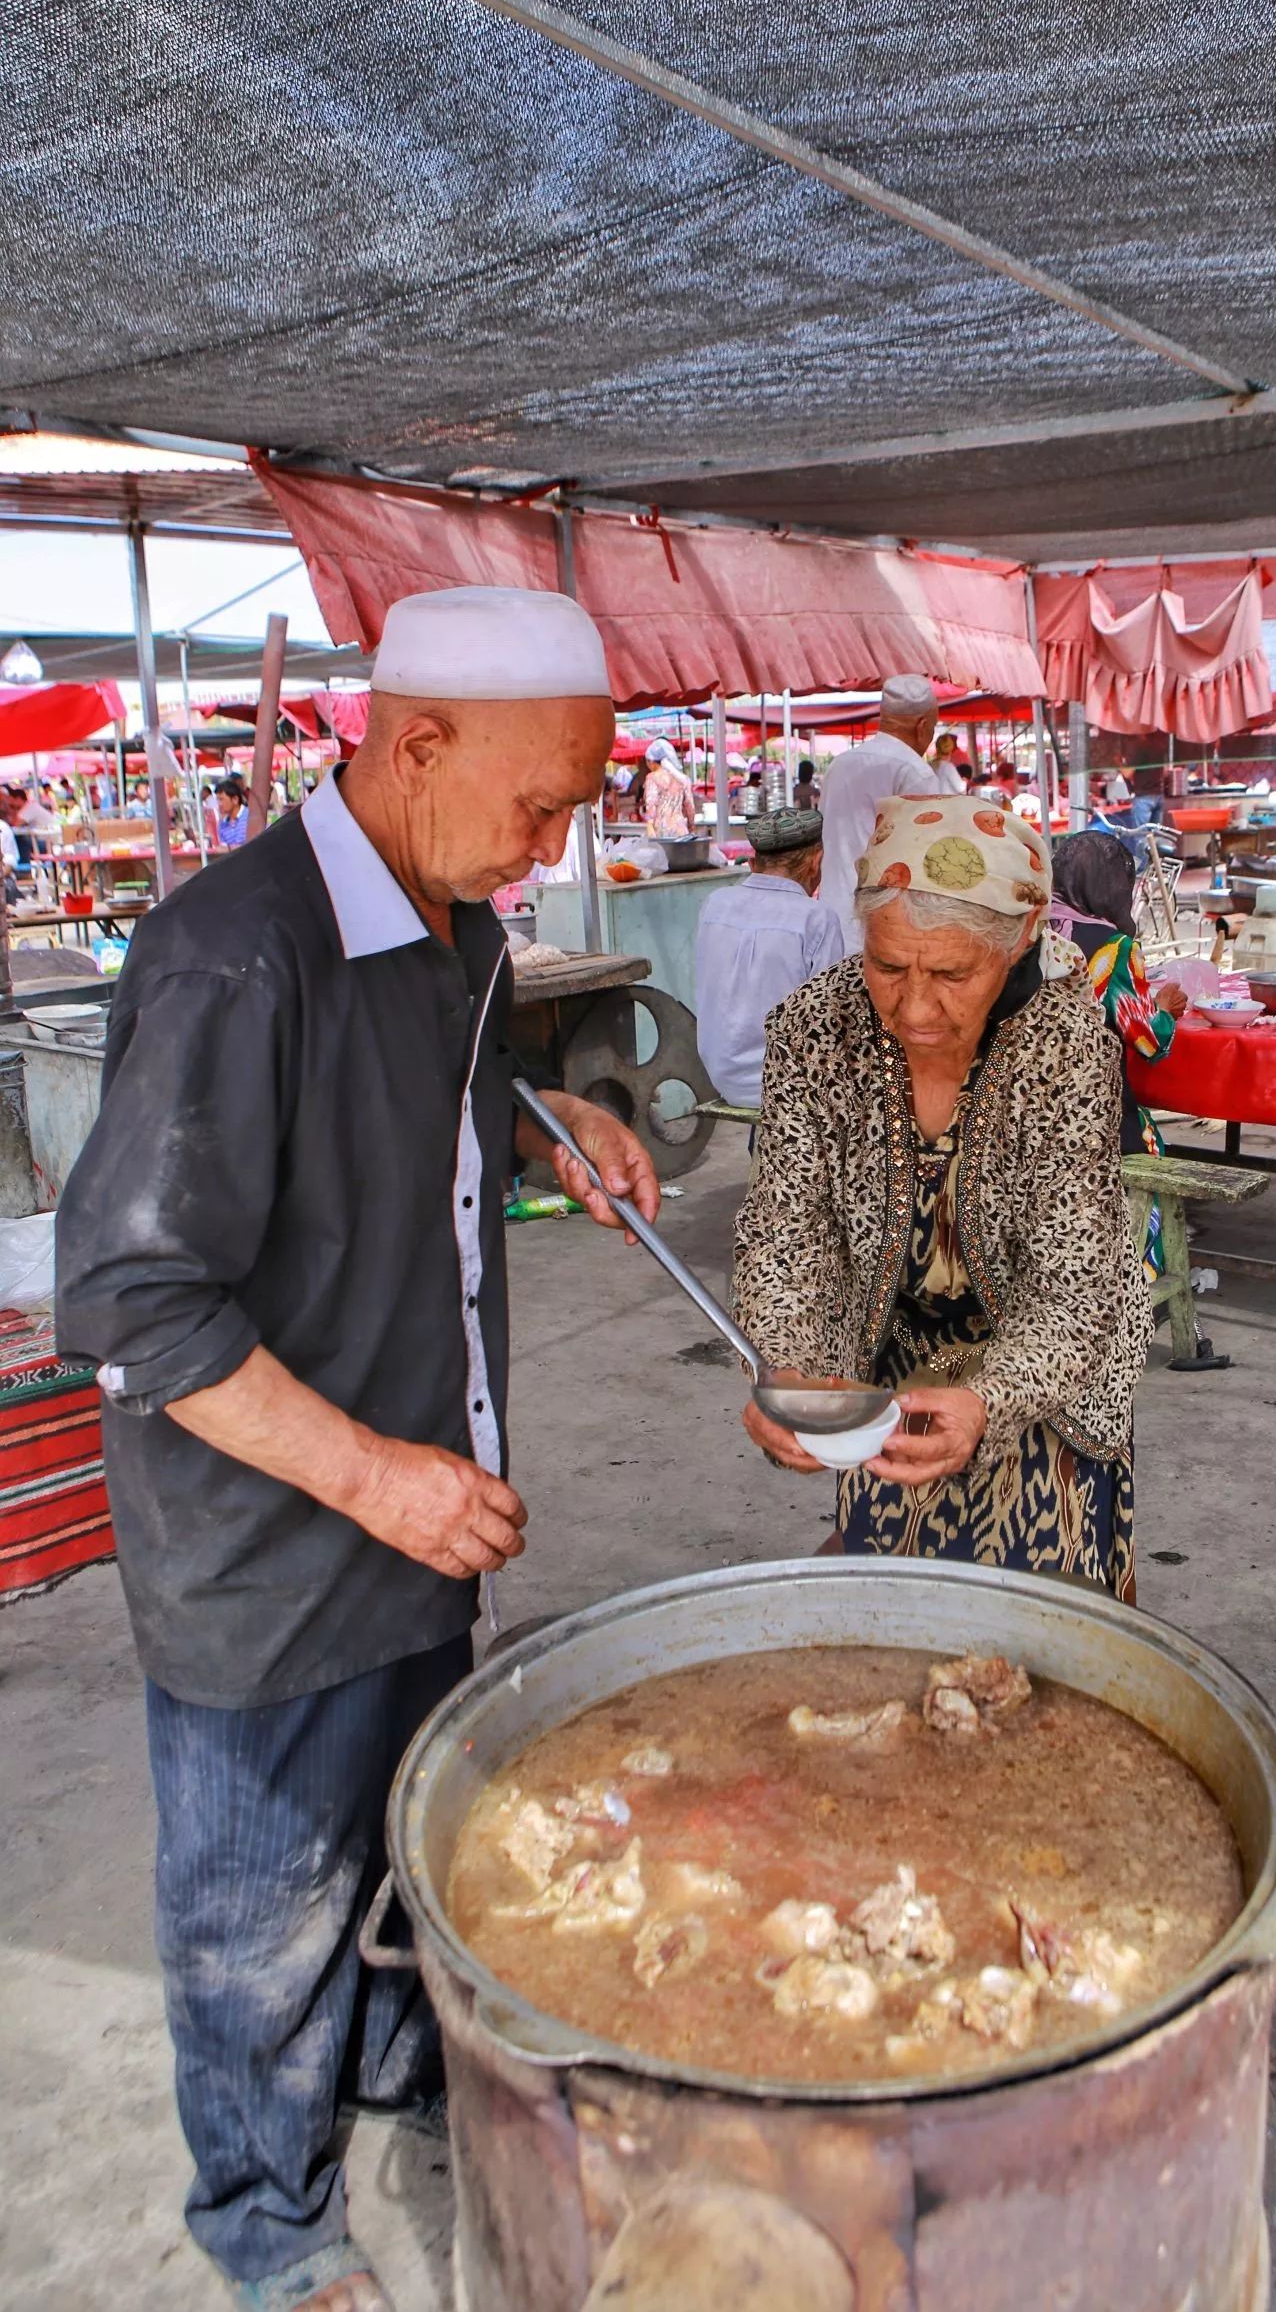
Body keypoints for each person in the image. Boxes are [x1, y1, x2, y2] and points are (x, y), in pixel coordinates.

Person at [54, 586, 658, 2312]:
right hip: (271, 1545)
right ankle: (267, 2217)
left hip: (421, 1501)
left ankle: (395, 2073)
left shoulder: (452, 925)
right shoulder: (239, 955)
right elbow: (133, 1300)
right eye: (538, 805)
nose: (546, 846)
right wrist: (376, 1473)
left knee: (403, 1839)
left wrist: (561, 1130)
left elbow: (425, 1129)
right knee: (259, 1909)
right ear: (414, 743)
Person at [734, 794, 1151, 1593]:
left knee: (1035, 1630)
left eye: (952, 972)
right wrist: (794, 1370)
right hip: (890, 1366)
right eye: (887, 965)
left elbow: (1077, 1288)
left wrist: (988, 1400)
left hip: (1042, 1375)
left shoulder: (1067, 1048)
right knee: (889, 1618)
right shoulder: (814, 1031)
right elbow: (787, 1233)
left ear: (1020, 938)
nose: (915, 1007)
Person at [693, 808, 846, 1106]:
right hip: (789, 1084)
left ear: (753, 863)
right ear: (816, 863)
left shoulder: (715, 904)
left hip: (721, 1076)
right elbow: (828, 1022)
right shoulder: (816, 918)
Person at [1048, 830, 1186, 1160]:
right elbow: (1149, 1041)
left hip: (1032, 1101)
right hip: (1093, 1107)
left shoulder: (1033, 931)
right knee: (1148, 1145)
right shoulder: (1117, 949)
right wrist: (1165, 1009)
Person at [816, 673, 954, 952]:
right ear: (923, 725)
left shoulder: (839, 765)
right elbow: (928, 855)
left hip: (830, 918)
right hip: (880, 926)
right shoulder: (914, 771)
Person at [642, 737, 695, 839]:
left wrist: (649, 825)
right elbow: (690, 807)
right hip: (681, 830)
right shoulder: (682, 779)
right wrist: (691, 827)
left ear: (652, 761)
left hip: (661, 830)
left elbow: (651, 804)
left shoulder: (652, 778)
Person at [215, 774, 250, 848]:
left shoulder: (251, 817)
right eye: (218, 800)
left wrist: (229, 849)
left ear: (235, 799)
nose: (219, 804)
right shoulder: (222, 825)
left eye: (221, 799)